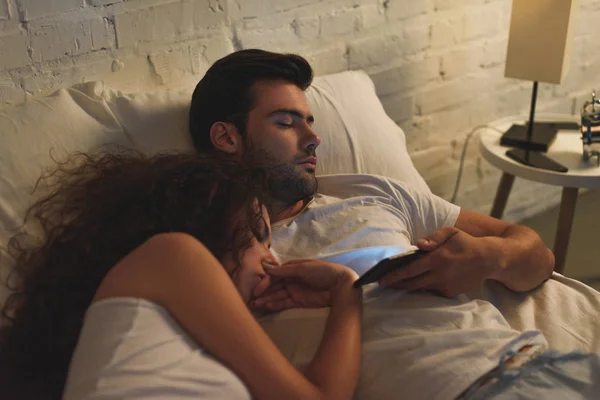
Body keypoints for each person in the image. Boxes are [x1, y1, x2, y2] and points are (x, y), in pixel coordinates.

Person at [188, 49, 600, 399]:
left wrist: (488, 257)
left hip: (542, 364)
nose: (313, 138)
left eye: (310, 121)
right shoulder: (219, 255)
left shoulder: (371, 191)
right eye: (286, 122)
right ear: (227, 138)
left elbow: (538, 256)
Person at [0, 151, 362, 400]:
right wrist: (347, 288)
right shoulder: (173, 254)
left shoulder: (178, 334)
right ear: (205, 226)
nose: (272, 258)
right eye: (256, 235)